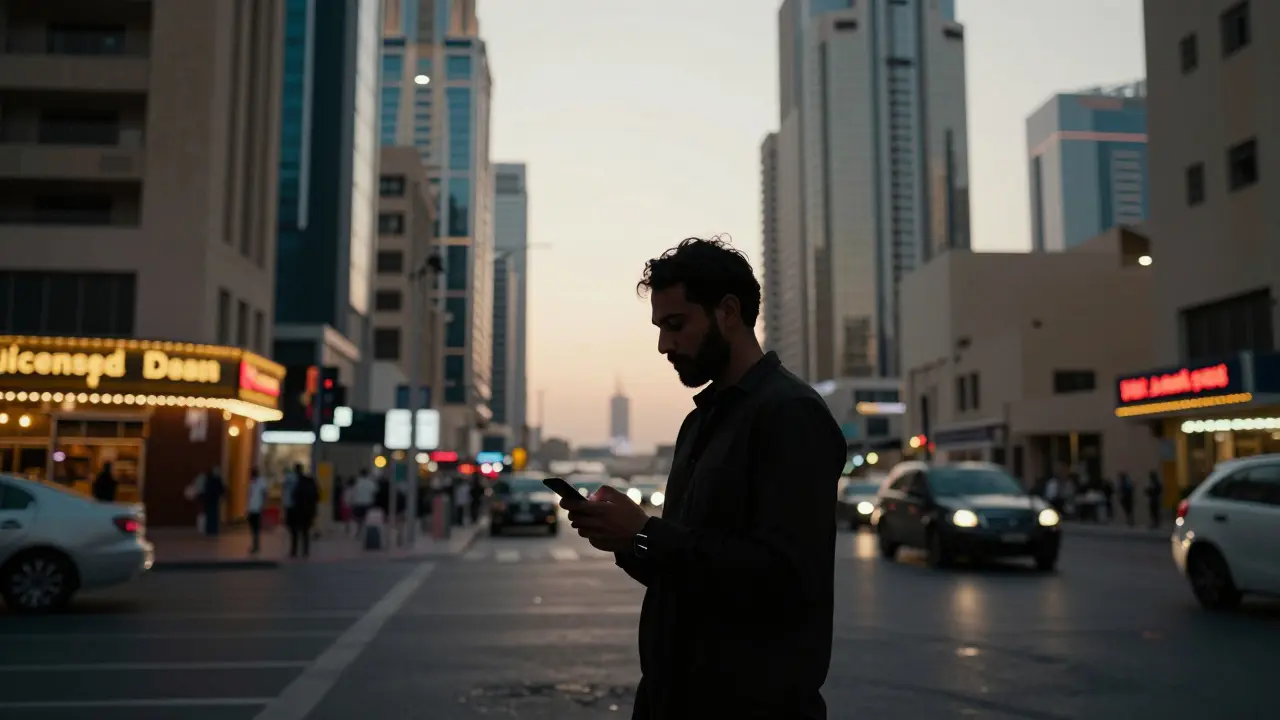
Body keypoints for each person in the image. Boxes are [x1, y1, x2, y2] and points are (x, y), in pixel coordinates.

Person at [564, 237, 846, 719]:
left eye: (676, 325)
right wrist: (625, 540)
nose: (663, 345)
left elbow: (782, 577)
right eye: (659, 328)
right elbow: (683, 569)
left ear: (728, 312)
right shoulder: (701, 422)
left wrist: (646, 533)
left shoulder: (791, 414)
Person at [287, 464, 319, 558]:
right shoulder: (310, 481)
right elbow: (316, 496)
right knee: (305, 532)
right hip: (308, 511)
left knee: (295, 532)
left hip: (296, 510)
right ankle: (305, 551)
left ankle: (294, 550)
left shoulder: (295, 482)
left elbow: (293, 496)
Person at [246, 467, 269, 554]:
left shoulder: (261, 482)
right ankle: (255, 544)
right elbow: (250, 496)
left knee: (256, 528)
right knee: (253, 528)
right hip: (251, 508)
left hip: (258, 508)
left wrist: (263, 505)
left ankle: (256, 545)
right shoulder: (252, 483)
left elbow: (265, 493)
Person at [202, 466, 225, 536]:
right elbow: (221, 489)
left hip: (208, 499)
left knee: (209, 515)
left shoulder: (208, 479)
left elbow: (206, 488)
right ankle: (214, 530)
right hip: (215, 499)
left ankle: (208, 530)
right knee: (214, 515)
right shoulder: (218, 480)